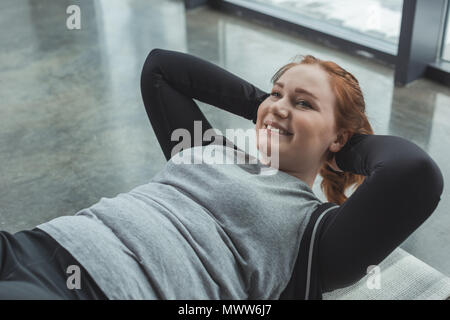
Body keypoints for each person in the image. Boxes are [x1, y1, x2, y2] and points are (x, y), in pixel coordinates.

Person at [0, 48, 444, 300]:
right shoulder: (209, 151)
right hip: (34, 245)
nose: (280, 104)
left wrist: (340, 147)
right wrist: (270, 109)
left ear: (340, 138)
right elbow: (161, 69)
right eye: (276, 92)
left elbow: (415, 173)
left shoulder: (317, 237)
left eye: (304, 102)